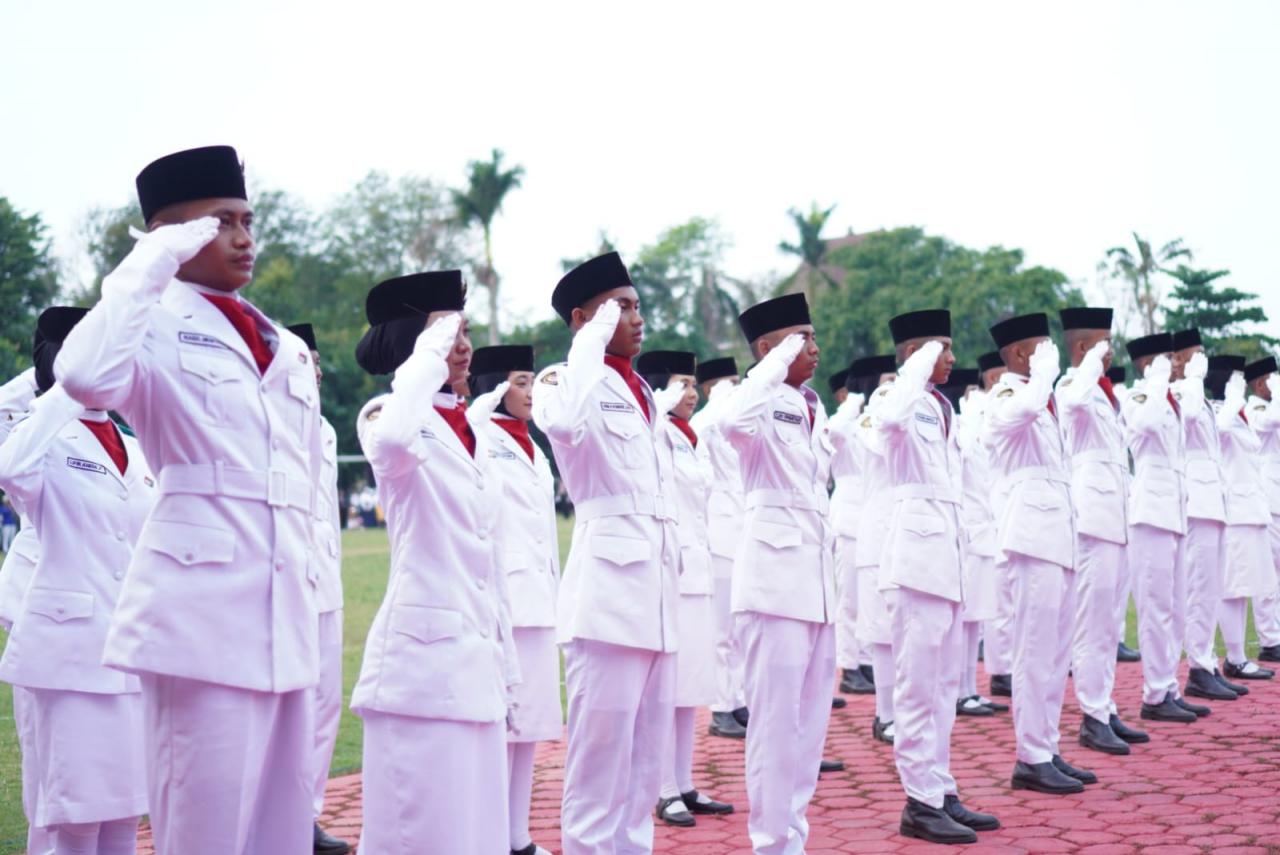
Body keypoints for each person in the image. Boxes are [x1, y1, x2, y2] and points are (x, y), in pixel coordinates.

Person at [55, 145, 324, 854]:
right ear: (170, 232)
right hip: (199, 616)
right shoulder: (146, 319)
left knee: (281, 830)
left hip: (283, 611)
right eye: (220, 222)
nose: (242, 238)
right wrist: (151, 262)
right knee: (205, 831)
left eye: (247, 221)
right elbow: (83, 376)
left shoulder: (284, 345)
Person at [351, 270, 518, 854]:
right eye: (448, 332)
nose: (462, 345)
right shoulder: (385, 415)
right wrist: (429, 350)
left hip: (475, 662)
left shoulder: (470, 430)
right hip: (419, 671)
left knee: (476, 836)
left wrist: (508, 669)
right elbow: (397, 439)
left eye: (464, 331)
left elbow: (488, 557)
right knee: (418, 836)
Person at [532, 252, 679, 855]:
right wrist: (590, 341)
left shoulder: (642, 390)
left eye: (637, 305)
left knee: (645, 768)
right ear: (582, 318)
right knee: (598, 768)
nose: (636, 318)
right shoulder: (563, 380)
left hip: (659, 594)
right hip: (607, 598)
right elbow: (564, 425)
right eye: (621, 307)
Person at [0, 306, 155, 855]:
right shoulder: (44, 435)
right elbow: (9, 468)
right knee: (75, 819)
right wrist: (65, 387)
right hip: (69, 658)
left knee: (123, 814)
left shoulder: (135, 446)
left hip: (129, 656)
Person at [874, 310, 998, 844]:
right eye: (941, 348)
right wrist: (916, 365)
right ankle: (918, 801)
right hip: (916, 562)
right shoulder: (895, 398)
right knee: (917, 686)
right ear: (915, 353)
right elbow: (886, 421)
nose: (951, 357)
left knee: (945, 686)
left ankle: (940, 788)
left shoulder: (941, 407)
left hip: (948, 557)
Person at [720, 292, 836, 854]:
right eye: (799, 339)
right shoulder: (755, 400)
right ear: (767, 348)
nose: (812, 347)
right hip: (772, 582)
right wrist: (772, 364)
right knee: (774, 726)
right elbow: (729, 421)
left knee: (809, 728)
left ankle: (794, 840)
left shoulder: (812, 404)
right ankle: (769, 844)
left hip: (816, 581)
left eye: (812, 337)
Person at [985, 313, 1095, 794]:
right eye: (1041, 348)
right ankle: (1030, 756)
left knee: (1055, 652)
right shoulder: (1007, 397)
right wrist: (1045, 375)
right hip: (1029, 537)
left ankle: (1047, 747)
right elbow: (1019, 414)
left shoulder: (1042, 401)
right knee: (1033, 651)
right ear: (1018, 355)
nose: (1050, 355)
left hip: (1057, 535)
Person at [466, 343, 563, 855]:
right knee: (500, 729)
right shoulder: (479, 434)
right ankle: (488, 838)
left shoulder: (533, 446)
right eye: (521, 382)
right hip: (502, 599)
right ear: (496, 387)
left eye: (530, 381)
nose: (530, 392)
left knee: (530, 725)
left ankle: (516, 836)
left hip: (539, 598)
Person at [636, 350, 735, 828]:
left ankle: (684, 782)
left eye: (694, 385)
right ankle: (662, 789)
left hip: (697, 567)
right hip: (669, 570)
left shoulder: (689, 436)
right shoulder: (654, 431)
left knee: (689, 684)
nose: (692, 393)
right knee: (665, 689)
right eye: (681, 384)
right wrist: (657, 404)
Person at [1055, 308, 1147, 754]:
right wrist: (1090, 363)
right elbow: (1072, 403)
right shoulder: (1071, 384)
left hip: (1115, 512)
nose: (1110, 352)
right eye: (1102, 344)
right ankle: (1091, 716)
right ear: (1081, 348)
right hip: (1091, 516)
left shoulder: (1103, 391)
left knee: (1110, 622)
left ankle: (1105, 707)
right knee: (1092, 622)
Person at [287, 322, 350, 855]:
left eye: (318, 360)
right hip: (286, 578)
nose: (317, 370)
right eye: (304, 359)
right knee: (289, 707)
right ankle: (279, 820)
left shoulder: (325, 428)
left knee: (326, 703)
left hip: (326, 579)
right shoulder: (268, 418)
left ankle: (306, 818)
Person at [1122, 333, 1200, 723]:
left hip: (1174, 510)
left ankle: (1169, 686)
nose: (1175, 363)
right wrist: (1154, 380)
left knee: (1176, 606)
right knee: (1155, 608)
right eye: (1167, 358)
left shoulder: (1170, 400)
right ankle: (1154, 695)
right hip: (1150, 513)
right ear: (1147, 364)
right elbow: (1146, 424)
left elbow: (1195, 414)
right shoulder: (1138, 396)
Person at [1169, 332, 1236, 704]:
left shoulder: (1199, 395)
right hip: (1195, 501)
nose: (1202, 362)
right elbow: (1188, 416)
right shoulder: (1180, 392)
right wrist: (1192, 376)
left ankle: (1207, 663)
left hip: (1213, 500)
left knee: (1211, 587)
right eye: (1194, 356)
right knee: (1197, 587)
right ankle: (1197, 667)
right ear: (1177, 360)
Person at [690, 356, 749, 739]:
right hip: (720, 534)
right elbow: (699, 430)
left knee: (741, 627)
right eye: (729, 383)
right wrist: (719, 401)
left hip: (744, 530)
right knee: (721, 629)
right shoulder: (706, 423)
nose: (736, 389)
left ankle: (738, 699)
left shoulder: (737, 424)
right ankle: (721, 708)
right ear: (711, 389)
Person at [1210, 358, 1277, 683]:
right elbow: (1219, 430)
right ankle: (1234, 658)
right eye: (1236, 379)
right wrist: (1235, 397)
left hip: (1250, 509)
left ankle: (1239, 659)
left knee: (1246, 584)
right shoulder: (1218, 412)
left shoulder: (1237, 414)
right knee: (1232, 588)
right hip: (1233, 511)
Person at [848, 355, 901, 745]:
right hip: (878, 534)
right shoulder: (870, 419)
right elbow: (883, 443)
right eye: (887, 380)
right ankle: (885, 714)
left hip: (908, 532)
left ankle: (906, 711)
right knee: (882, 630)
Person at [952, 373, 1005, 717]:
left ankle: (970, 688)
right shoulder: (962, 432)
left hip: (985, 533)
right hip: (968, 533)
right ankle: (958, 691)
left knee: (977, 620)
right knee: (964, 618)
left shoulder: (984, 438)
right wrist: (971, 421)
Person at [829, 363, 875, 697]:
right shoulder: (844, 426)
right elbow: (834, 429)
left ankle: (867, 661)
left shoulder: (873, 424)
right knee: (849, 599)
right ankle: (849, 667)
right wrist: (854, 400)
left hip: (871, 517)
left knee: (870, 597)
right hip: (847, 519)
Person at [974, 351, 1015, 700]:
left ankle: (1010, 662)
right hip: (993, 503)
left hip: (1007, 501)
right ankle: (1001, 670)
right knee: (1000, 592)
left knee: (1012, 593)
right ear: (991, 378)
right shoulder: (985, 407)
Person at [1244, 356, 1280, 662]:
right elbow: (1271, 421)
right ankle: (1270, 640)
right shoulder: (1254, 408)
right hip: (1268, 499)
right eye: (1272, 379)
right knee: (1269, 571)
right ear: (1260, 384)